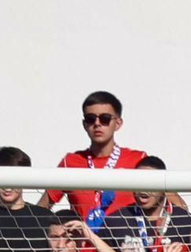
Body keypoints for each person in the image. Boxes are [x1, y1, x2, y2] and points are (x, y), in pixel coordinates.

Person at [40, 91, 150, 228]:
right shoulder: (71, 162)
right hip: (83, 247)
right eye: (91, 119)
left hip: (124, 247)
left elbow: (173, 204)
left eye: (105, 118)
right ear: (84, 124)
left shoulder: (138, 159)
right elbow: (41, 209)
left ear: (118, 123)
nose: (97, 124)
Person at [98, 155, 191, 252]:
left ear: (165, 185)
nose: (143, 189)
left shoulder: (186, 222)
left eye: (150, 183)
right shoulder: (115, 222)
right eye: (139, 182)